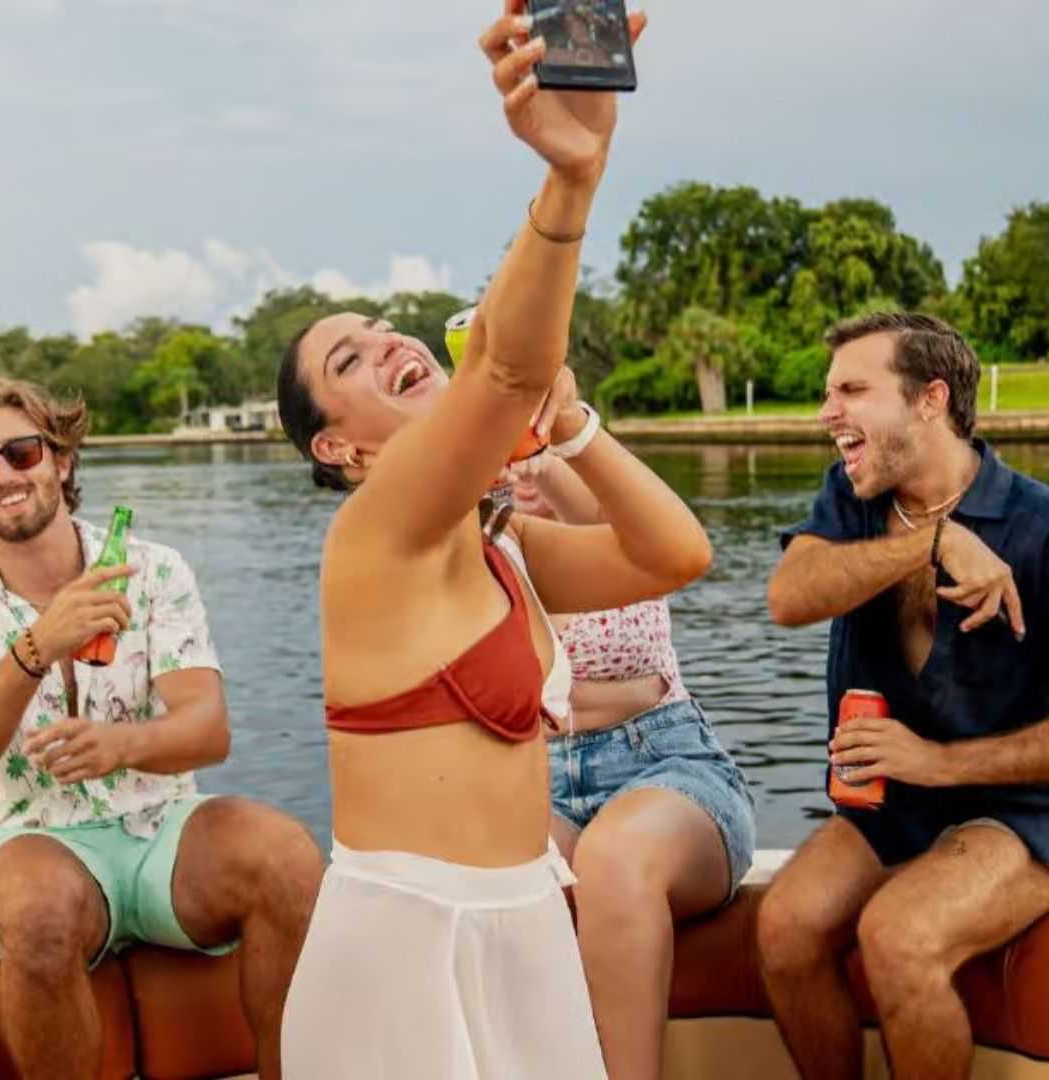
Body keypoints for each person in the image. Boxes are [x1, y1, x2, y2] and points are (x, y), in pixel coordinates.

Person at [275, 6, 711, 1077]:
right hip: (406, 946)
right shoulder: (370, 538)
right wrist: (572, 180)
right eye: (347, 358)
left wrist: (575, 428)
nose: (384, 341)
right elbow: (506, 369)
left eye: (382, 328)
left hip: (524, 927)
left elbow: (673, 556)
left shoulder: (500, 544)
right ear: (339, 447)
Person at [759, 312, 1049, 1080]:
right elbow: (790, 597)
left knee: (898, 938)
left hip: (1028, 819)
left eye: (852, 390)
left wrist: (939, 762)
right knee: (784, 927)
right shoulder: (853, 497)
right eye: (827, 392)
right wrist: (931, 540)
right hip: (886, 807)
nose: (825, 413)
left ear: (931, 400)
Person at [0, 377, 323, 1080]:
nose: (4, 475)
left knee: (286, 857)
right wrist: (36, 647)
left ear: (61, 461)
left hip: (161, 830)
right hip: (25, 838)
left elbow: (207, 729)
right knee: (38, 912)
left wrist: (121, 746)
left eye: (22, 452)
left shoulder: (152, 570)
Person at [505, 457, 754, 1080]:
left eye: (534, 456)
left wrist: (545, 452)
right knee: (501, 887)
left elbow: (642, 691)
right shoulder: (482, 555)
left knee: (613, 860)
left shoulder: (614, 532)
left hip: (666, 761)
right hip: (540, 783)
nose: (522, 474)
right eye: (502, 462)